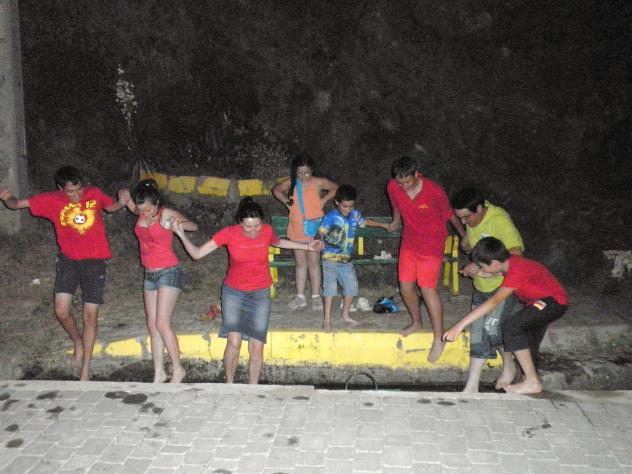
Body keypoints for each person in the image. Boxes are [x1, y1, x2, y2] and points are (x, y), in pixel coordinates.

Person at [172, 197, 323, 384]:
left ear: (262, 222)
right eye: (248, 227)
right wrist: (181, 234)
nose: (253, 231)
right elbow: (196, 254)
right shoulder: (229, 233)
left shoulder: (267, 230)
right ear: (240, 223)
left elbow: (278, 242)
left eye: (257, 226)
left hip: (260, 293)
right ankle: (229, 384)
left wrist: (307, 246)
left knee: (256, 347)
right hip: (234, 293)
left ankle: (253, 388)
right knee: (234, 342)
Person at [0, 166, 130, 381]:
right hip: (68, 261)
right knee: (61, 311)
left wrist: (122, 200)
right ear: (60, 189)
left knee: (90, 315)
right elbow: (16, 204)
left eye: (79, 190)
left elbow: (111, 207)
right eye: (71, 192)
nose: (77, 196)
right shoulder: (51, 200)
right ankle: (77, 341)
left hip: (95, 261)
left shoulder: (94, 194)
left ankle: (85, 369)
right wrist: (7, 197)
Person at [443, 237, 569, 394]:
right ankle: (529, 382)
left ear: (495, 263)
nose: (482, 269)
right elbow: (496, 273)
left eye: (483, 266)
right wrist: (480, 272)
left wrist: (459, 326)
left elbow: (493, 302)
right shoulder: (509, 263)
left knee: (511, 327)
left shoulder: (517, 269)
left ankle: (532, 382)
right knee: (529, 343)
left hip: (552, 302)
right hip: (540, 303)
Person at [386, 156, 466, 362]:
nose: (403, 186)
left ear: (416, 174)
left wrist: (464, 235)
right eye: (400, 182)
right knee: (405, 286)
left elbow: (450, 215)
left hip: (432, 243)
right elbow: (396, 203)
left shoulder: (433, 190)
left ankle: (439, 337)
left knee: (427, 288)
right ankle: (417, 322)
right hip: (409, 241)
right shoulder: (393, 186)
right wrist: (395, 220)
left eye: (407, 182)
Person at [451, 188, 524, 392]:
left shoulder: (499, 220)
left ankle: (509, 365)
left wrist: (483, 270)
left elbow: (516, 254)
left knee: (492, 329)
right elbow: (477, 243)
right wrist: (467, 241)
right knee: (477, 333)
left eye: (466, 217)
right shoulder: (472, 219)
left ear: (479, 208)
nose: (463, 222)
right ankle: (471, 386)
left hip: (502, 287)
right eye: (460, 218)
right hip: (481, 287)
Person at [127, 179, 198, 383]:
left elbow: (193, 225)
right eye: (142, 210)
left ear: (157, 203)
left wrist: (176, 225)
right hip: (149, 274)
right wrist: (124, 193)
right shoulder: (141, 211)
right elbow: (130, 204)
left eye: (149, 209)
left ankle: (178, 369)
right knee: (152, 325)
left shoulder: (165, 214)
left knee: (162, 322)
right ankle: (159, 372)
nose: (145, 213)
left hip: (169, 271)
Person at [317, 184, 390, 332]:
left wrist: (383, 225)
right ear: (337, 202)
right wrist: (319, 240)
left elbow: (365, 222)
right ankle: (327, 320)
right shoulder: (331, 216)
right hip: (329, 258)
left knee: (351, 287)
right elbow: (321, 232)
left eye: (351, 206)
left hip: (346, 260)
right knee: (330, 289)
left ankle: (346, 315)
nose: (348, 209)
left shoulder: (355, 214)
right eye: (345, 206)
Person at [272, 153, 338, 311]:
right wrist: (287, 202)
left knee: (314, 263)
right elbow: (276, 190)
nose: (302, 176)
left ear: (312, 170)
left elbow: (336, 188)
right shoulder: (292, 182)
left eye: (306, 173)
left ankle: (316, 296)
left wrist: (323, 200)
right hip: (296, 229)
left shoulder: (318, 182)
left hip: (315, 228)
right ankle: (300, 296)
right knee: (300, 263)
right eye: (299, 173)